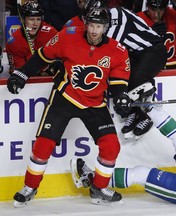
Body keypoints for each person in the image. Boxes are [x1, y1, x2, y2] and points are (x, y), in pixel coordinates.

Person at [7, 7, 132, 207]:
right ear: (85, 23)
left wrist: (121, 98)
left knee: (111, 146)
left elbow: (118, 83)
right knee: (43, 144)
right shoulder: (68, 36)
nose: (94, 31)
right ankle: (30, 187)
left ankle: (99, 188)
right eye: (91, 25)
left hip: (95, 103)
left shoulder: (118, 51)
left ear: (105, 28)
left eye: (98, 26)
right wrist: (22, 74)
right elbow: (42, 56)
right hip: (65, 97)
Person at [65, 0, 167, 140]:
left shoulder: (118, 16)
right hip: (134, 54)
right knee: (119, 78)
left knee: (136, 77)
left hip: (154, 50)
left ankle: (147, 114)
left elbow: (108, 48)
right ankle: (134, 111)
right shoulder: (103, 21)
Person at [5, 1, 59, 76]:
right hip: (28, 84)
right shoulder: (14, 42)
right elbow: (19, 72)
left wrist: (50, 70)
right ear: (22, 20)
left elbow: (62, 58)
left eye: (38, 19)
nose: (35, 24)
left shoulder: (51, 34)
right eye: (31, 19)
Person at [137, 0, 176, 69]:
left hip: (174, 61)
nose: (156, 14)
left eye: (161, 10)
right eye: (153, 10)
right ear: (147, 6)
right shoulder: (138, 19)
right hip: (149, 64)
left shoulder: (173, 15)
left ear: (165, 8)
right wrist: (150, 34)